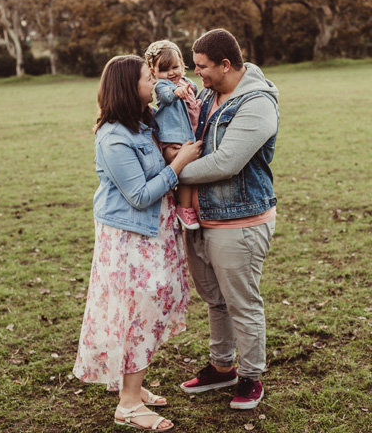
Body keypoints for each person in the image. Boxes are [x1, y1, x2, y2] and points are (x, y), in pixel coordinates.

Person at [73, 55, 203, 431]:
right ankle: (128, 404)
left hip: (153, 235)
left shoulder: (143, 123)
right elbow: (140, 195)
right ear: (129, 87)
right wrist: (178, 165)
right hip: (130, 240)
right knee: (137, 314)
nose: (155, 82)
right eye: (149, 77)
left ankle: (135, 385)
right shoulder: (114, 136)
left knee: (153, 306)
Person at [165, 29, 279, 410]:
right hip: (200, 218)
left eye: (202, 67)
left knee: (241, 302)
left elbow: (227, 162)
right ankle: (222, 367)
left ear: (226, 65)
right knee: (215, 300)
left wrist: (172, 173)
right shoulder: (208, 94)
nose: (196, 75)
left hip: (240, 221)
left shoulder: (257, 103)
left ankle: (250, 376)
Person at [144, 40, 202, 230]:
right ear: (153, 72)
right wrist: (177, 91)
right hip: (174, 136)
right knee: (184, 169)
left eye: (175, 67)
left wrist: (188, 88)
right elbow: (168, 96)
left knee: (191, 168)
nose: (171, 73)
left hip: (186, 134)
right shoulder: (163, 86)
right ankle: (183, 208)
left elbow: (194, 91)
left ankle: (189, 204)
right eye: (164, 69)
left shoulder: (186, 82)